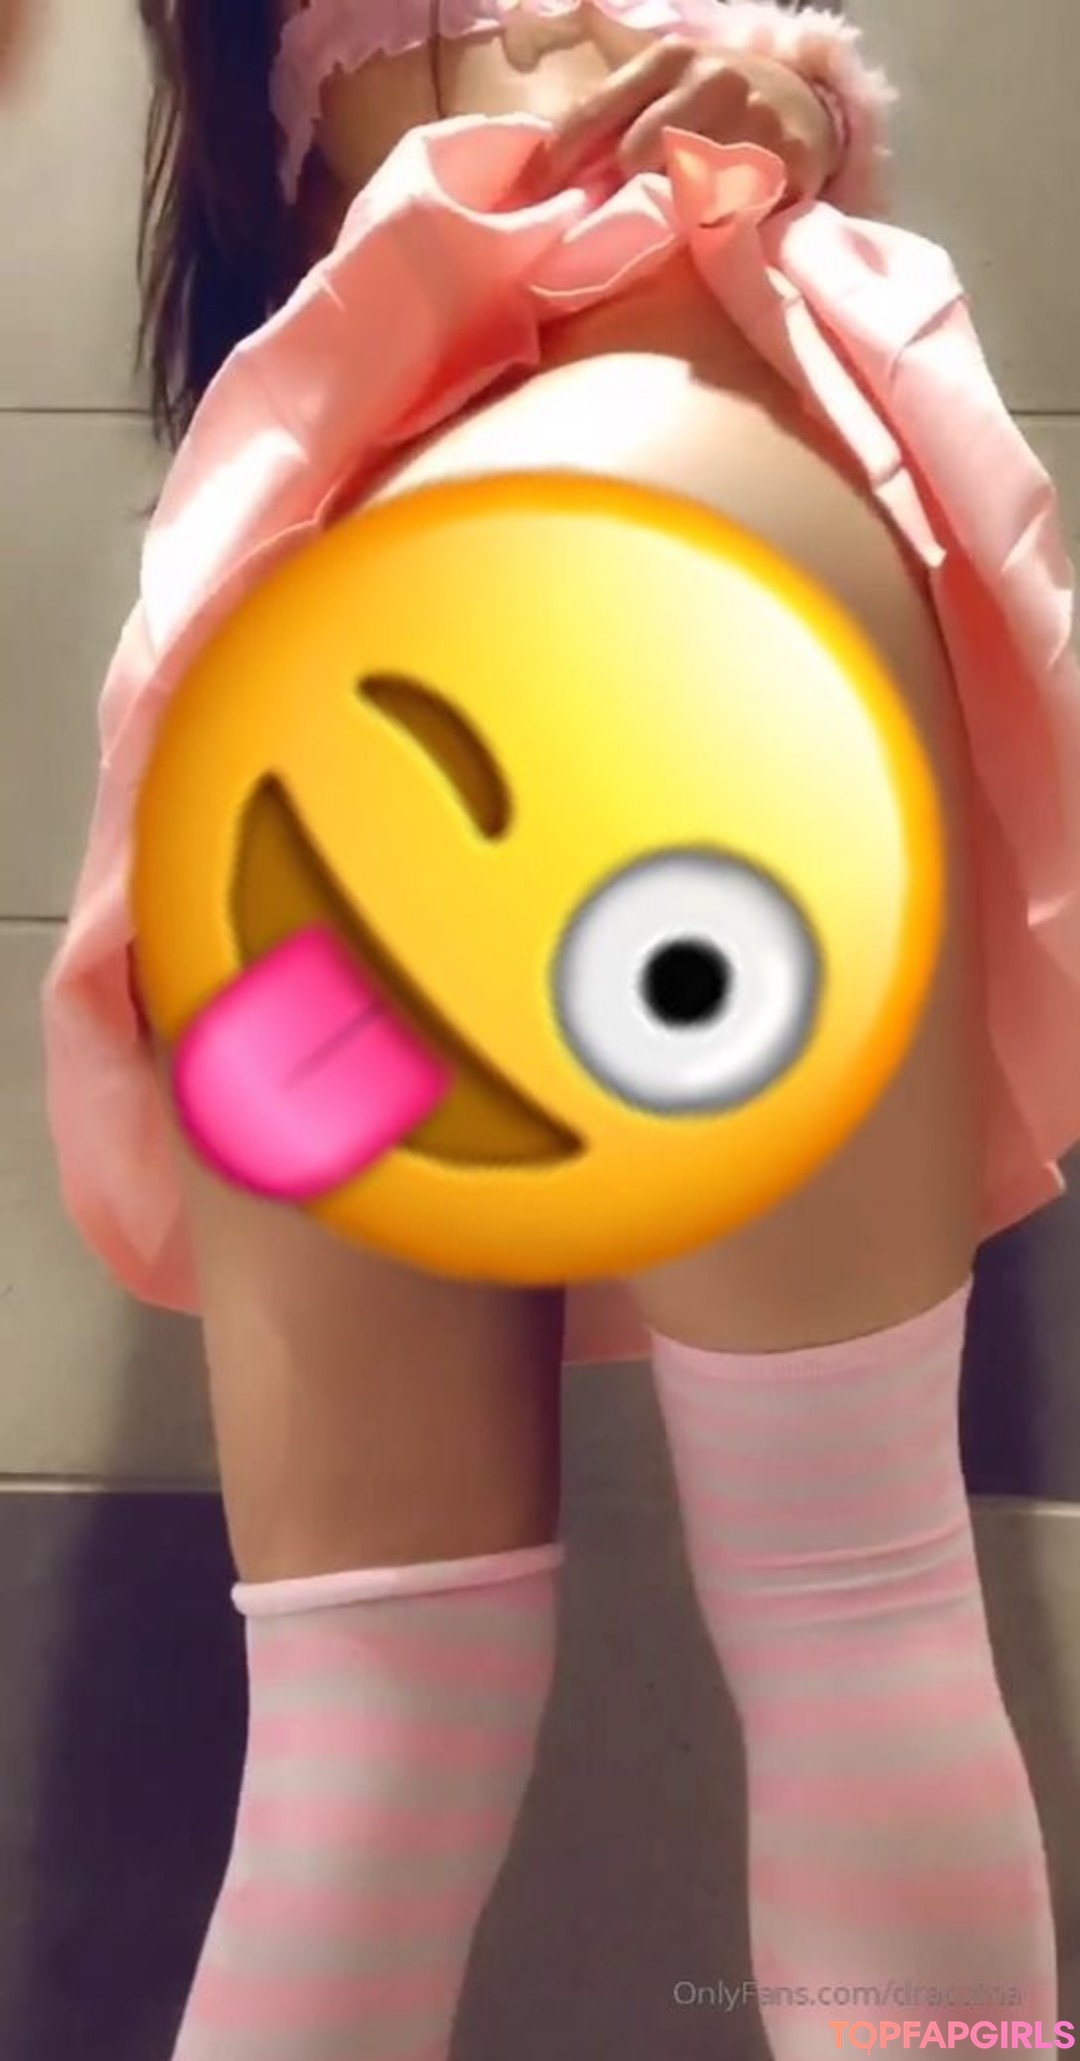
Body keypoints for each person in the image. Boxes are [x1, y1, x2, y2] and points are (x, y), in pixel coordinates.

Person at [42, 1, 1080, 2055]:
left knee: (365, 1722)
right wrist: (801, 107)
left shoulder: (250, 83)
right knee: (851, 1606)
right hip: (668, 558)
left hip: (322, 668)